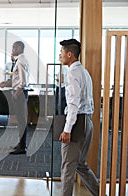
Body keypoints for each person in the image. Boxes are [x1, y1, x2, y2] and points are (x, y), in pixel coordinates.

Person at [58, 38, 99, 196]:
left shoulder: (73, 73)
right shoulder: (84, 71)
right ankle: (99, 193)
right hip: (86, 121)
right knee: (80, 164)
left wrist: (67, 129)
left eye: (61, 53)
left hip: (76, 123)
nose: (60, 56)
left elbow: (73, 105)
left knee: (68, 167)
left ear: (69, 54)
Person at [0, 41, 29, 154]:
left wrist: (16, 93)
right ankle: (21, 144)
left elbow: (23, 81)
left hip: (20, 93)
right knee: (20, 120)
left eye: (14, 47)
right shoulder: (20, 60)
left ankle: (22, 147)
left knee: (21, 120)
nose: (12, 49)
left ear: (20, 48)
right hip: (19, 92)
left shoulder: (21, 61)